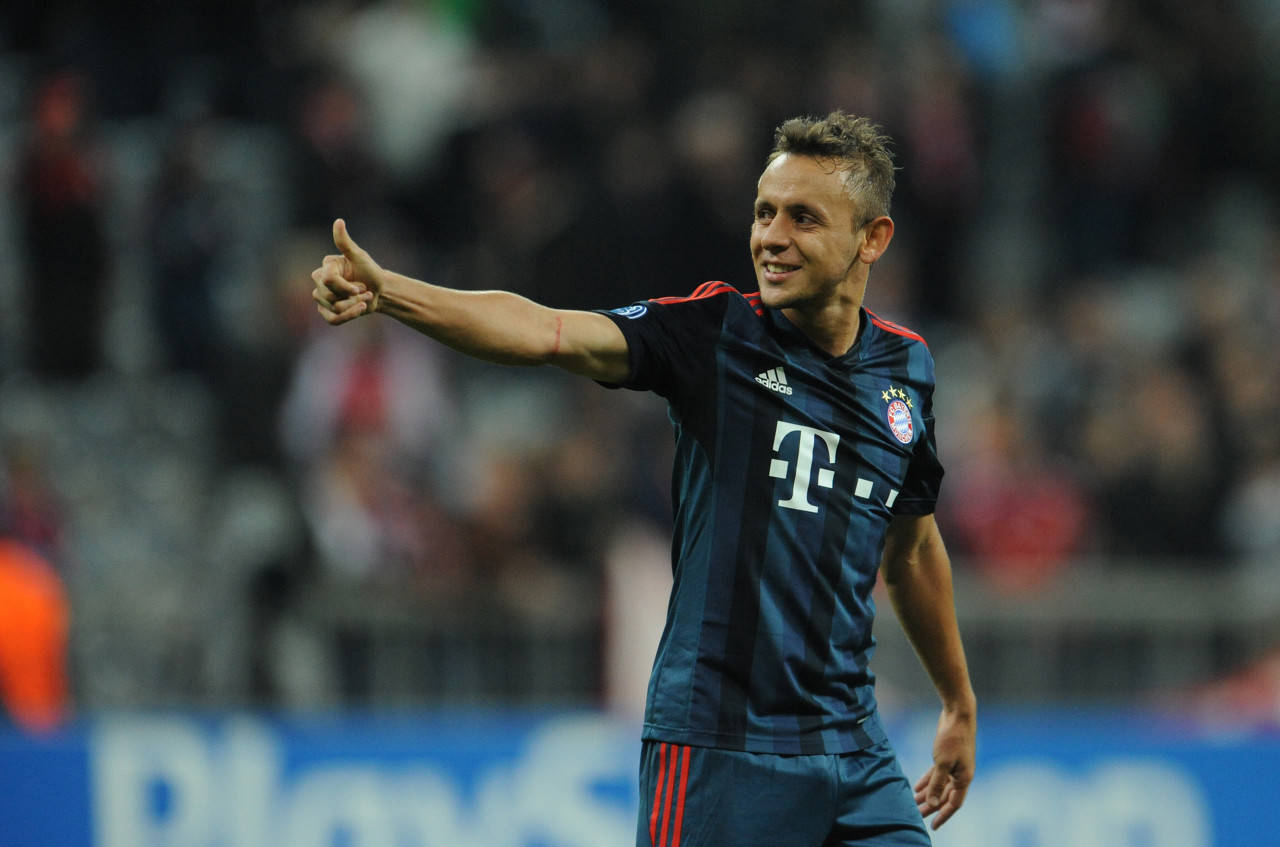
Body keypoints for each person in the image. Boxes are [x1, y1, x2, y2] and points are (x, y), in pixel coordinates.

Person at [311, 111, 976, 845]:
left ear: (872, 239)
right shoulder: (716, 334)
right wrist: (393, 294)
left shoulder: (905, 370)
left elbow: (913, 550)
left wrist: (958, 703)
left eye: (804, 217)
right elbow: (546, 330)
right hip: (719, 746)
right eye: (764, 212)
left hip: (853, 747)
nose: (772, 236)